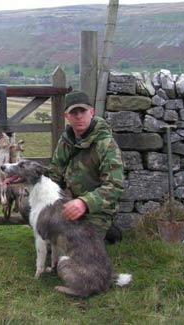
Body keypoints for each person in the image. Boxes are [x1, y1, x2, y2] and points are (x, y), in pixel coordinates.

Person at [47, 91, 124, 242]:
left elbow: (115, 186)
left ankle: (105, 230)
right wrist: (43, 193)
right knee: (27, 206)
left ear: (92, 112)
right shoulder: (65, 141)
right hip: (67, 202)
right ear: (66, 116)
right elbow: (54, 173)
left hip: (96, 209)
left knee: (78, 248)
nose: (79, 116)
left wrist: (84, 203)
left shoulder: (106, 145)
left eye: (82, 111)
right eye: (73, 112)